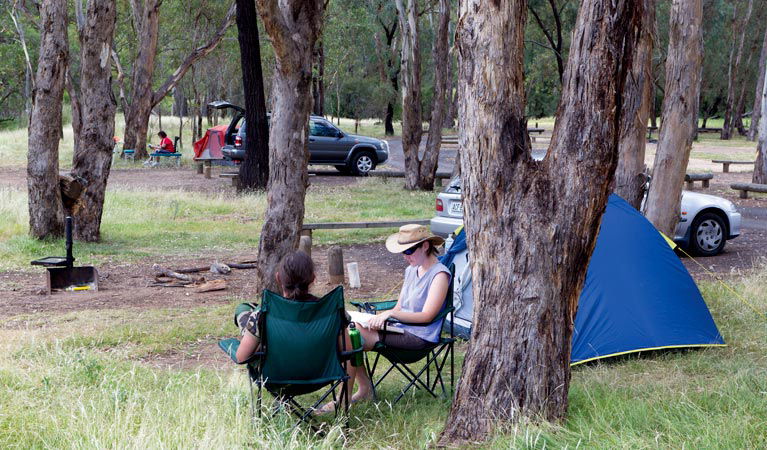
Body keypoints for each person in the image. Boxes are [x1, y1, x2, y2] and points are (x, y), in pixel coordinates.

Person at [349, 224, 451, 403]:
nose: (406, 256)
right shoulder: (411, 270)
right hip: (400, 330)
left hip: (420, 338)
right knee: (351, 329)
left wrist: (391, 315)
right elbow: (399, 307)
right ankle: (363, 390)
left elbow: (427, 316)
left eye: (410, 250)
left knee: (349, 338)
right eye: (403, 252)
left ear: (425, 246)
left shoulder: (440, 275)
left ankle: (349, 398)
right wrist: (379, 318)